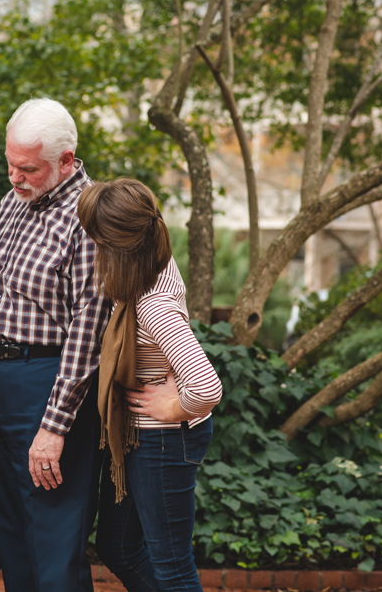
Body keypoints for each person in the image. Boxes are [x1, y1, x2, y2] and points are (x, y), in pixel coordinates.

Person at [0, 98, 111, 592]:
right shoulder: (16, 198)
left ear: (67, 161)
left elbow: (88, 329)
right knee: (9, 525)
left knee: (53, 534)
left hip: (47, 381)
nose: (15, 177)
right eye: (10, 164)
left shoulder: (91, 215)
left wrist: (55, 427)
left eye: (28, 168)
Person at [78, 178, 223, 592]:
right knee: (118, 547)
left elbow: (206, 387)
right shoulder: (149, 266)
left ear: (119, 247)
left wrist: (172, 406)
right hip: (140, 439)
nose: (91, 247)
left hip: (162, 441)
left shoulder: (151, 304)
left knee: (173, 568)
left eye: (97, 240)